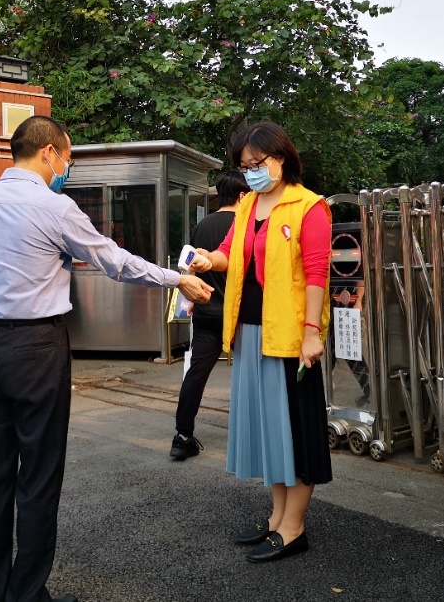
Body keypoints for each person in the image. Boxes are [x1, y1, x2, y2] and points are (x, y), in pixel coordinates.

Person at [0, 114, 213, 602]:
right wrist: (177, 278)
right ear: (48, 152)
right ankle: (27, 595)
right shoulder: (55, 207)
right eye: (68, 157)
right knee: (39, 473)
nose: (67, 168)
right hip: (36, 348)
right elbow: (115, 262)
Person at [192, 121, 333, 564]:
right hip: (252, 333)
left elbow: (317, 272)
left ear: (282, 158)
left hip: (290, 338)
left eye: (258, 162)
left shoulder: (309, 206)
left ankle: (294, 527)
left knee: (296, 430)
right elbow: (230, 252)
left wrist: (312, 332)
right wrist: (207, 259)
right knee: (272, 432)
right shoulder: (249, 204)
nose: (251, 171)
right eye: (245, 165)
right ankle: (277, 518)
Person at [170, 169, 248, 461]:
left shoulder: (203, 225)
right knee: (250, 373)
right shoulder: (246, 224)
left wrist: (190, 301)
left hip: (206, 311)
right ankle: (253, 435)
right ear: (242, 195)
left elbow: (190, 266)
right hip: (241, 314)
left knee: (196, 373)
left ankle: (182, 437)